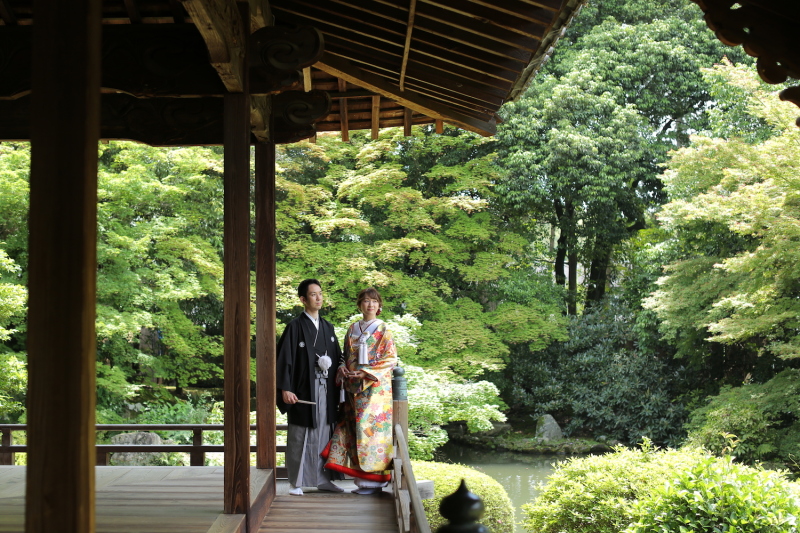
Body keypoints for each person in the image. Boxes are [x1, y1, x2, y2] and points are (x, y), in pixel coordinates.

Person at [323, 287, 397, 495]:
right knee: (355, 430)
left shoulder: (383, 329)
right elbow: (343, 355)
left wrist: (366, 373)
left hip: (374, 390)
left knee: (372, 432)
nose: (370, 305)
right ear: (359, 305)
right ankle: (361, 481)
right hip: (353, 388)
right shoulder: (352, 328)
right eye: (365, 301)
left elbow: (391, 359)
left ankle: (375, 481)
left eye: (374, 301)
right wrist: (342, 368)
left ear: (379, 306)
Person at [276, 278, 343, 495]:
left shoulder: (327, 327)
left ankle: (323, 480)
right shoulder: (294, 327)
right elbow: (283, 359)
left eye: (320, 293)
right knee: (300, 434)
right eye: (313, 294)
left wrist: (342, 369)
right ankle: (296, 482)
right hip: (304, 390)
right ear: (303, 299)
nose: (319, 298)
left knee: (325, 432)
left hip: (327, 390)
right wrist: (285, 388)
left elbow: (339, 358)